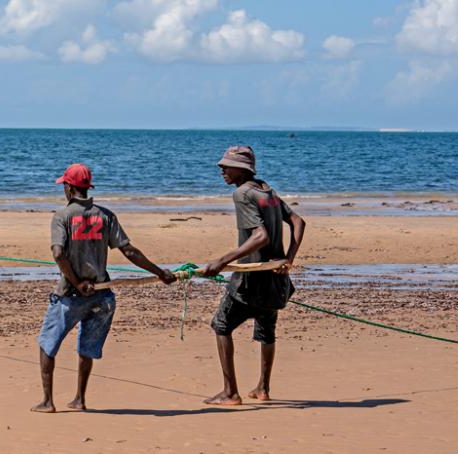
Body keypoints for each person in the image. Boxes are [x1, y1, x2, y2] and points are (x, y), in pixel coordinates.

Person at [31, 163, 176, 413]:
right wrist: (160, 272)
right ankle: (80, 398)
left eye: (63, 185)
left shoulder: (62, 216)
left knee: (47, 344)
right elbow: (129, 250)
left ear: (69, 187)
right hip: (103, 295)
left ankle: (47, 401)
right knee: (87, 347)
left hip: (70, 295)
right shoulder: (105, 215)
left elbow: (58, 253)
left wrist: (76, 282)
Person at [202, 146, 306, 405]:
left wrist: (222, 260)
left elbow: (261, 237)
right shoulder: (266, 191)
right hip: (274, 281)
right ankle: (263, 388)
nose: (221, 170)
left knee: (221, 326)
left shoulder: (243, 194)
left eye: (226, 166)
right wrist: (288, 259)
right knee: (266, 331)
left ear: (243, 168)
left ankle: (230, 392)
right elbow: (298, 221)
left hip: (251, 281)